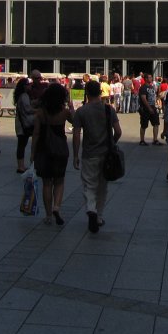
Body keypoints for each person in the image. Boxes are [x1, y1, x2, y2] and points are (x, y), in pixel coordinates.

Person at [72, 79, 122, 233]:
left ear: (87, 93)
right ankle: (99, 216)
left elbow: (76, 135)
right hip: (106, 154)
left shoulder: (81, 111)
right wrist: (112, 143)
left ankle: (91, 209)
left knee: (89, 184)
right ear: (101, 92)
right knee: (102, 186)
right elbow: (118, 132)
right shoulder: (109, 110)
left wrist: (75, 155)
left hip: (89, 154)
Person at [31, 82, 72, 225]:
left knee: (47, 182)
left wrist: (32, 154)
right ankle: (57, 207)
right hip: (60, 148)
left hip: (44, 149)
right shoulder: (64, 112)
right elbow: (75, 122)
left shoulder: (40, 113)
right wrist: (71, 107)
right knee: (59, 180)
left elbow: (36, 134)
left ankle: (48, 215)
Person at [13, 76, 35, 172]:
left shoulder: (21, 95)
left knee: (22, 144)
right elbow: (28, 109)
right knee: (22, 144)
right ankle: (20, 166)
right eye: (28, 84)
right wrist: (37, 110)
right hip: (23, 123)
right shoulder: (24, 96)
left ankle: (21, 165)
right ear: (24, 86)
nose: (30, 86)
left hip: (21, 122)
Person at [137, 73, 162, 145]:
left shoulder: (152, 87)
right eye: (149, 77)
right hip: (145, 109)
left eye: (151, 77)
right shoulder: (143, 88)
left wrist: (155, 105)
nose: (151, 79)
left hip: (153, 107)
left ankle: (155, 140)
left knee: (156, 123)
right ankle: (142, 140)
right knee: (144, 125)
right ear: (146, 79)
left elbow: (154, 96)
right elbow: (143, 98)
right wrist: (149, 108)